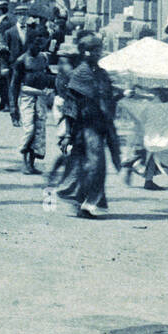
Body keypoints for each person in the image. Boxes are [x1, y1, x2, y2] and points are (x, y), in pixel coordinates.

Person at [56, 31, 121, 219]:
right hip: (85, 127)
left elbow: (106, 98)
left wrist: (122, 94)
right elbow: (71, 106)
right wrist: (68, 133)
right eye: (94, 50)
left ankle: (86, 204)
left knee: (92, 166)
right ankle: (85, 203)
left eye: (99, 49)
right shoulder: (80, 74)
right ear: (84, 52)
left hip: (101, 125)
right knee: (92, 165)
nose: (98, 53)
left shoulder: (101, 73)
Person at [10, 26, 55, 174]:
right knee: (29, 129)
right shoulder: (21, 61)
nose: (38, 46)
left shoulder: (43, 58)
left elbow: (47, 75)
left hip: (40, 97)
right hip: (27, 97)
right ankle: (24, 162)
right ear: (29, 43)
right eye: (35, 43)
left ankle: (31, 163)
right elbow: (14, 84)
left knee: (39, 130)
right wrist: (13, 108)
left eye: (41, 44)